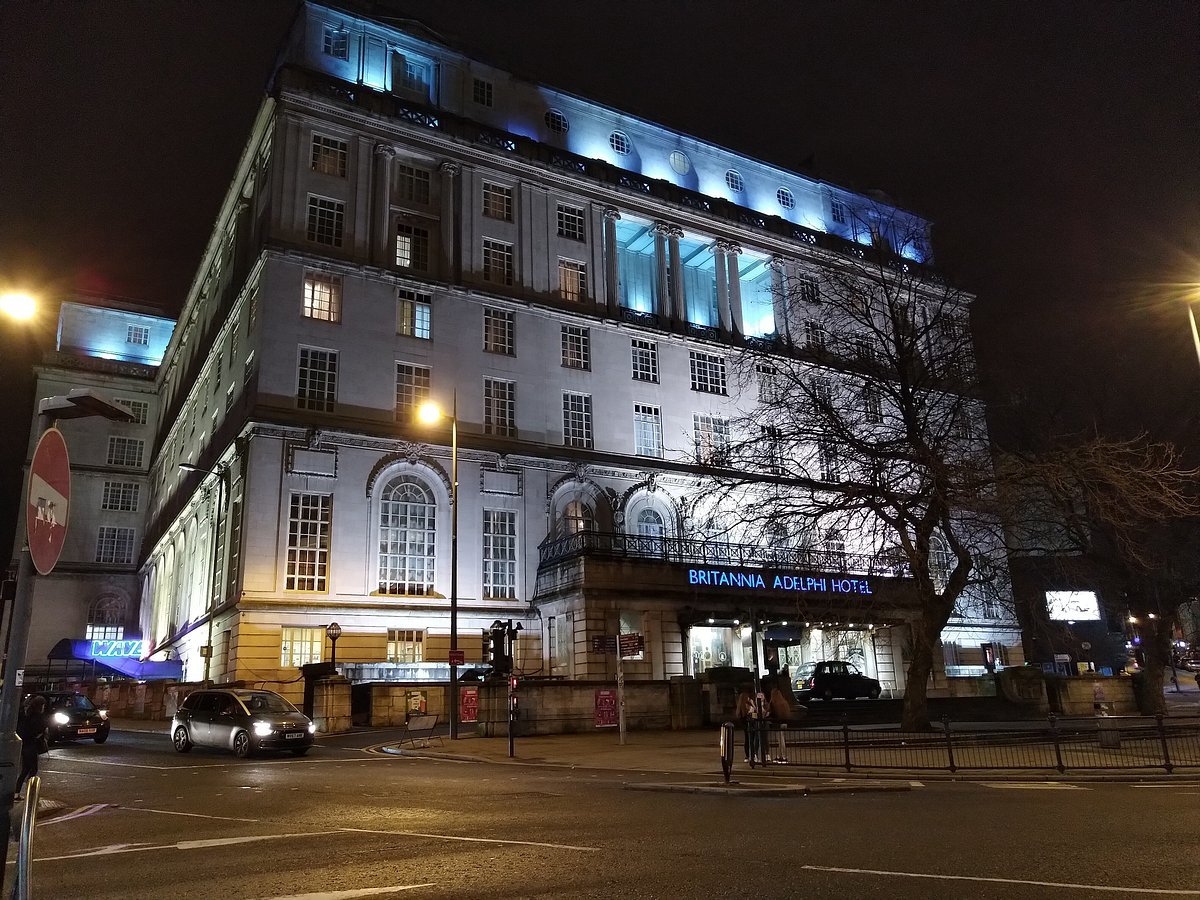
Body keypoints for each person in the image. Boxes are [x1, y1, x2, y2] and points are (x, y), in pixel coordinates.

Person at [15, 695, 49, 799]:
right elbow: (40, 730)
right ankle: (30, 793)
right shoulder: (37, 717)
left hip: (25, 745)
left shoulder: (26, 714)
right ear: (41, 706)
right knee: (33, 770)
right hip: (31, 745)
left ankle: (17, 792)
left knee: (25, 769)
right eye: (43, 705)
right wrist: (41, 734)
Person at [735, 686, 759, 763]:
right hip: (751, 723)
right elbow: (754, 712)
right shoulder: (748, 704)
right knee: (752, 739)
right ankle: (753, 754)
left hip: (745, 724)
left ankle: (747, 755)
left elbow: (740, 716)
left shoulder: (740, 706)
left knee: (747, 740)